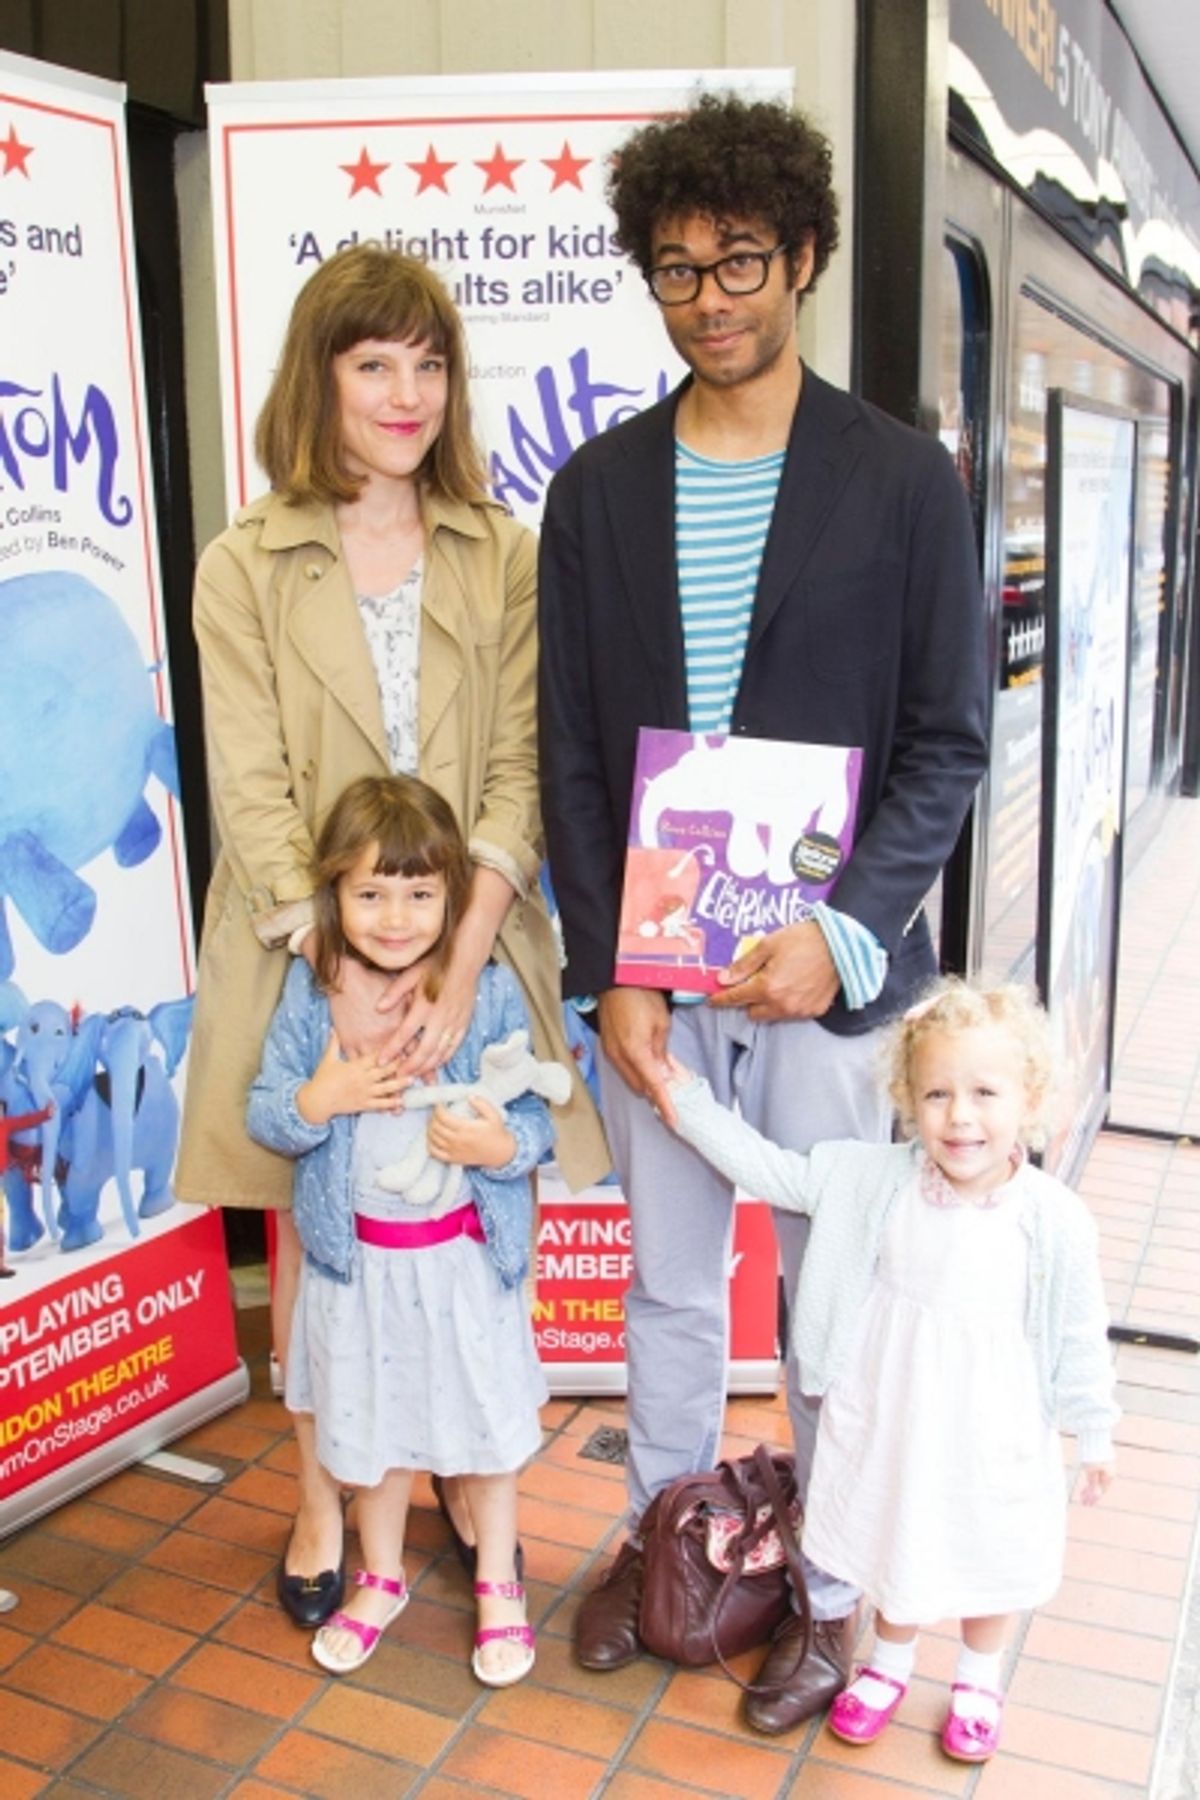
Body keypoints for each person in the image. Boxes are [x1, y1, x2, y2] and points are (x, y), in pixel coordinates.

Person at [537, 91, 990, 1731]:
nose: (711, 295)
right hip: (658, 977)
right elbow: (570, 760)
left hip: (830, 987)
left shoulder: (900, 481)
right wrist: (612, 973)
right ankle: (673, 1542)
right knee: (665, 1283)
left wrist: (843, 934)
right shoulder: (593, 494)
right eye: (676, 269)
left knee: (829, 1295)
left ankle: (830, 1589)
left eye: (740, 261)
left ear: (801, 256)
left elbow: (947, 744)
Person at [176, 244, 608, 1629]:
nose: (407, 392)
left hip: (469, 929)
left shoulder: (504, 551)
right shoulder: (244, 566)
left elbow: (523, 769)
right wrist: (342, 967)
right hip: (305, 945)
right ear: (323, 376)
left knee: (480, 1201)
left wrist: (463, 948)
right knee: (322, 1222)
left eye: (430, 364)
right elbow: (248, 783)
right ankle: (327, 1488)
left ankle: (481, 1497)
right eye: (375, 363)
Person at [659, 979, 1118, 1762]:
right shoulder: (872, 1182)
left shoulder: (1052, 1219)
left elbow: (1078, 1330)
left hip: (995, 1422)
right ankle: (889, 1662)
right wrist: (686, 1100)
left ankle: (978, 1677)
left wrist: (1095, 1430)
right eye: (937, 1093)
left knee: (989, 1543)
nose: (960, 1116)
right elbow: (772, 1169)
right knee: (895, 1529)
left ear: (1030, 1097)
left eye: (984, 1092)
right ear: (907, 1097)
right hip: (899, 1408)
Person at [248, 773, 546, 1685]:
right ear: (333, 895)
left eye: (419, 894)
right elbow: (268, 1114)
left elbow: (532, 1120)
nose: (393, 917)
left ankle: (498, 1578)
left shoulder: (484, 994)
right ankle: (378, 1575)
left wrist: (499, 1143)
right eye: (369, 893)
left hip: (461, 1267)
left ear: (453, 895)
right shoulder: (312, 994)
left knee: (485, 1429)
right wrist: (319, 1098)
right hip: (357, 1273)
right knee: (368, 1429)